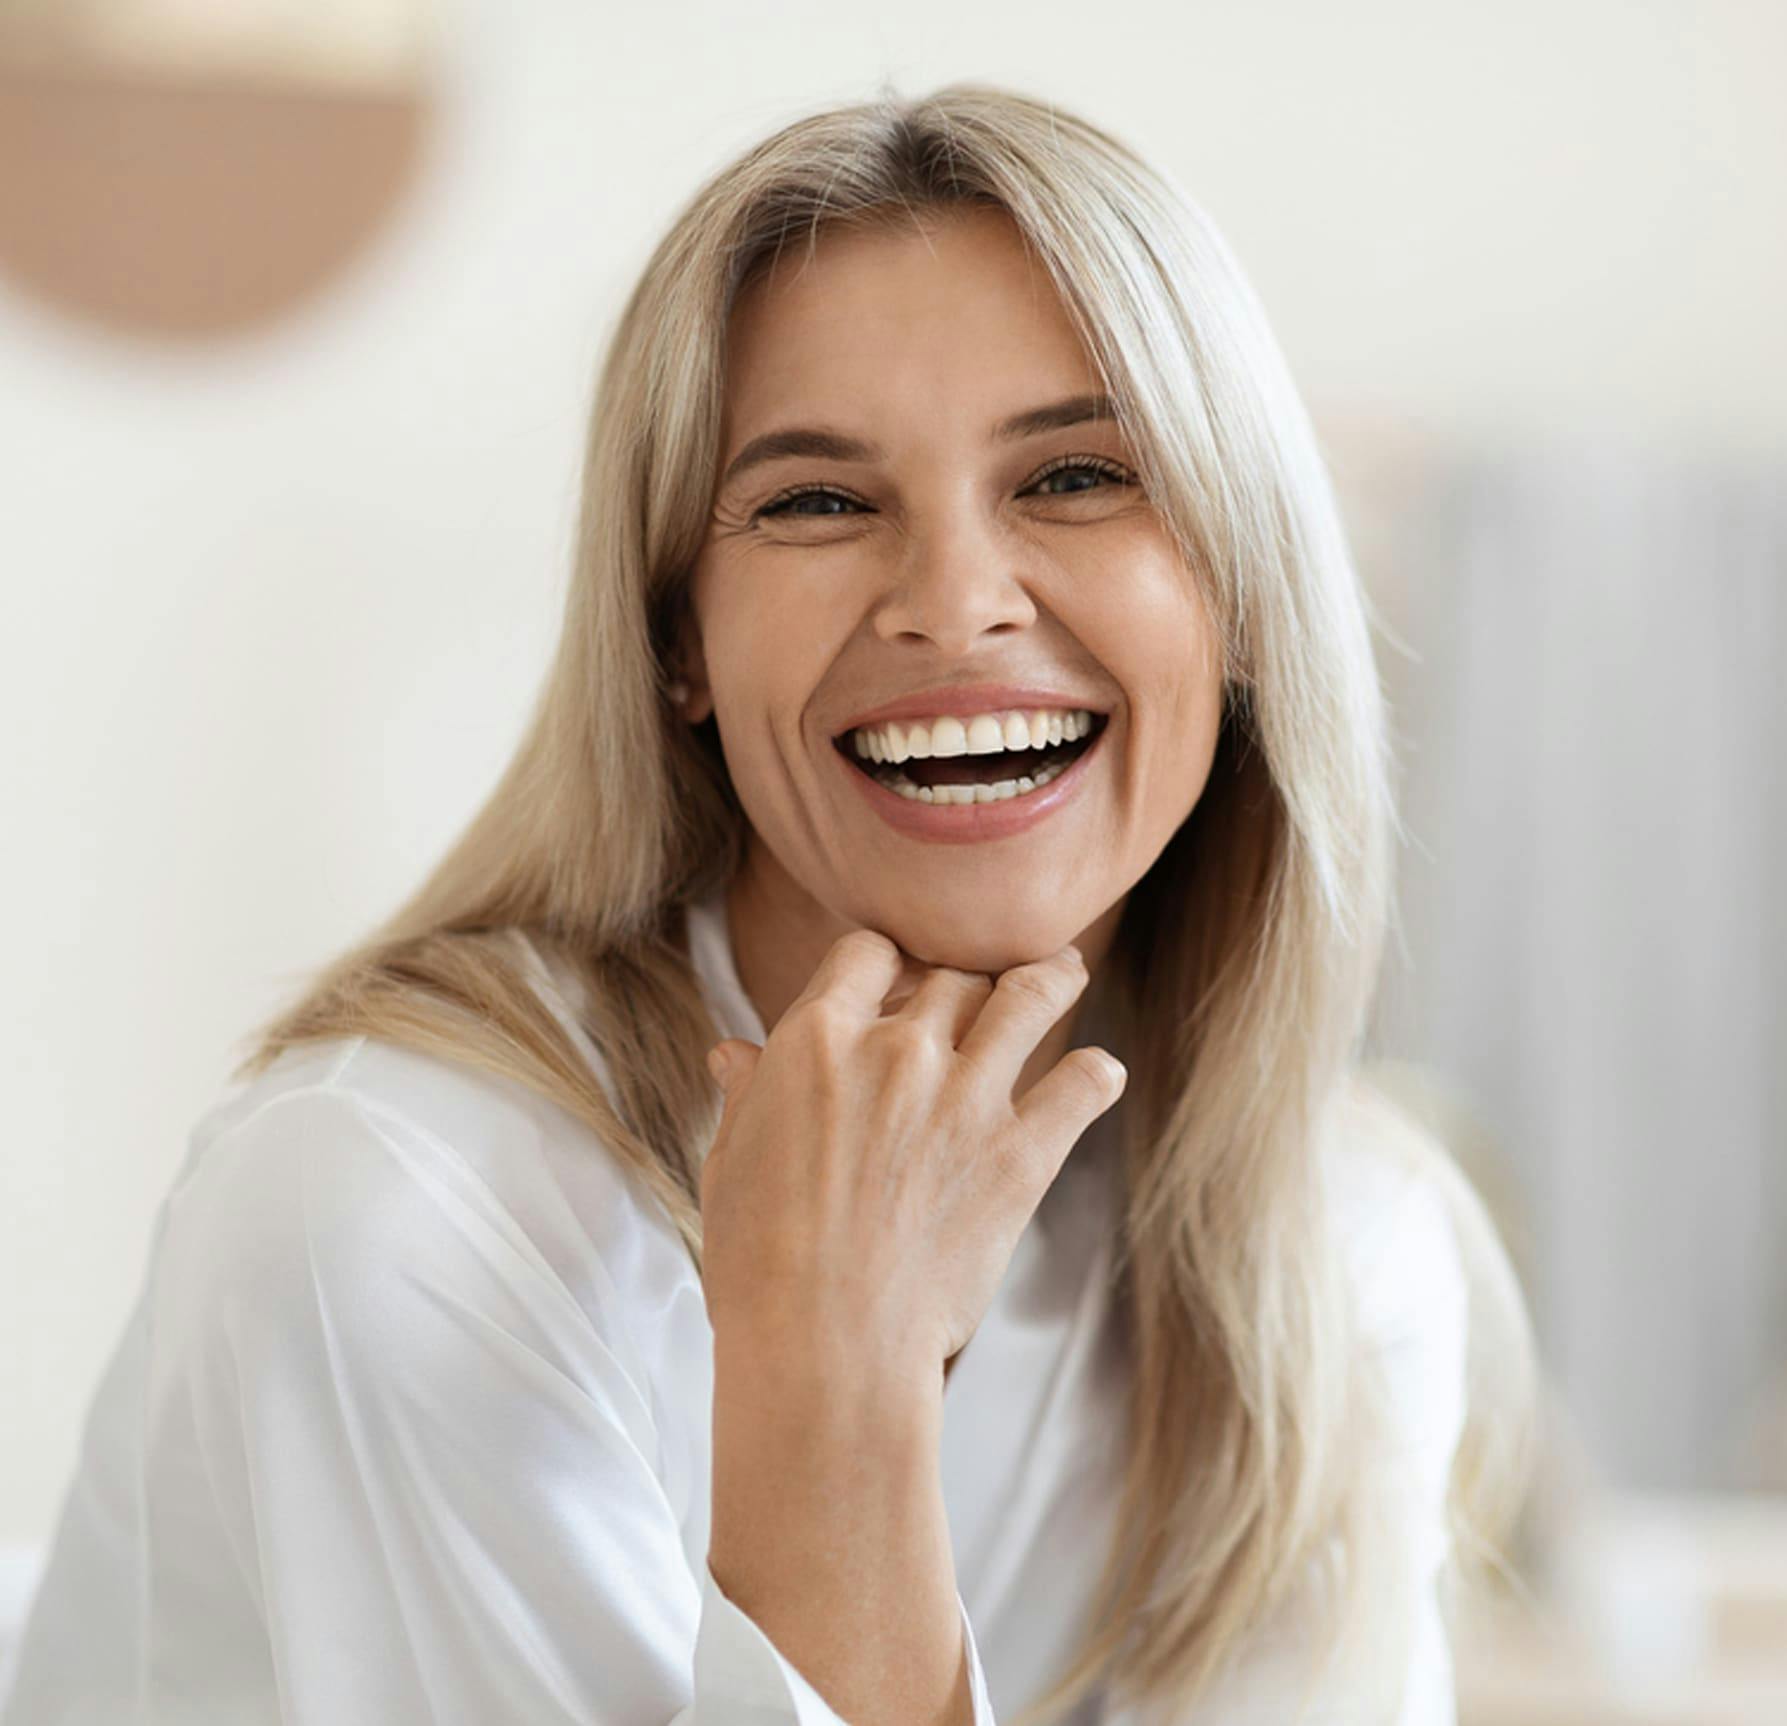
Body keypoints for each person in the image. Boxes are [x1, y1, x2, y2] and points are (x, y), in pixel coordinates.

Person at [2, 83, 1536, 1726]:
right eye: (817, 500)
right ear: (677, 639)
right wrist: (833, 1402)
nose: (955, 602)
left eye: (1079, 474)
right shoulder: (395, 1218)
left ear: (1239, 594)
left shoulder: (1330, 1252)